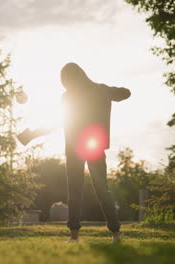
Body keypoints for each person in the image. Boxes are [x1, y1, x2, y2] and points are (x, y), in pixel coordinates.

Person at [60, 62, 131, 243]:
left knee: (80, 191)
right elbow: (126, 93)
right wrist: (108, 92)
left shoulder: (71, 96)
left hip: (81, 147)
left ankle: (79, 236)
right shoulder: (96, 90)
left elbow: (126, 93)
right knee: (97, 190)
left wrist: (109, 92)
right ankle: (113, 235)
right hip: (88, 146)